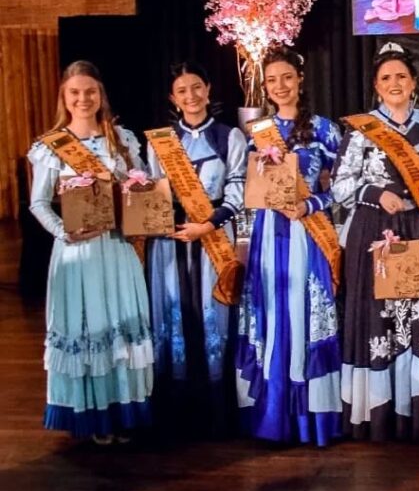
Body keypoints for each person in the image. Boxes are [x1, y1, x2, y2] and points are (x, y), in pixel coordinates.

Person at [28, 61, 154, 443]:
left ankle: (123, 410)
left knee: (120, 325)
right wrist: (64, 233)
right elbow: (38, 203)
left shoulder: (122, 139)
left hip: (117, 250)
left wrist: (139, 199)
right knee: (89, 326)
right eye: (75, 92)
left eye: (90, 92)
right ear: (64, 97)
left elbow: (141, 186)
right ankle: (94, 416)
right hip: (78, 254)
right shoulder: (52, 146)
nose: (83, 99)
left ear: (101, 95)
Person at [234, 47, 344, 446]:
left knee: (304, 313)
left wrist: (309, 205)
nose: (280, 86)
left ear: (300, 79)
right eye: (272, 80)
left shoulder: (325, 130)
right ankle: (272, 414)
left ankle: (311, 420)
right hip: (268, 234)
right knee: (272, 313)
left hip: (308, 232)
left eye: (286, 77)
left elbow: (343, 187)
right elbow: (246, 187)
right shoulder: (258, 132)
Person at [333, 43, 419, 442]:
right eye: (386, 78)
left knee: (417, 319)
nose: (394, 84)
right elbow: (339, 187)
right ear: (376, 86)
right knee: (379, 319)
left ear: (413, 82)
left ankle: (415, 412)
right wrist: (376, 193)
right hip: (375, 232)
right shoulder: (362, 129)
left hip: (417, 230)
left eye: (401, 76)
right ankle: (378, 414)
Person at [146, 61, 246, 439]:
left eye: (196, 87)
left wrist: (208, 224)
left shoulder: (229, 136)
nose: (190, 96)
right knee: (173, 311)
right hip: (171, 238)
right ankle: (176, 410)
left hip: (213, 235)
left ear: (208, 90)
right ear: (173, 98)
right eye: (182, 91)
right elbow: (153, 190)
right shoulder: (160, 142)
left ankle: (217, 412)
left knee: (213, 314)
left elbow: (237, 188)